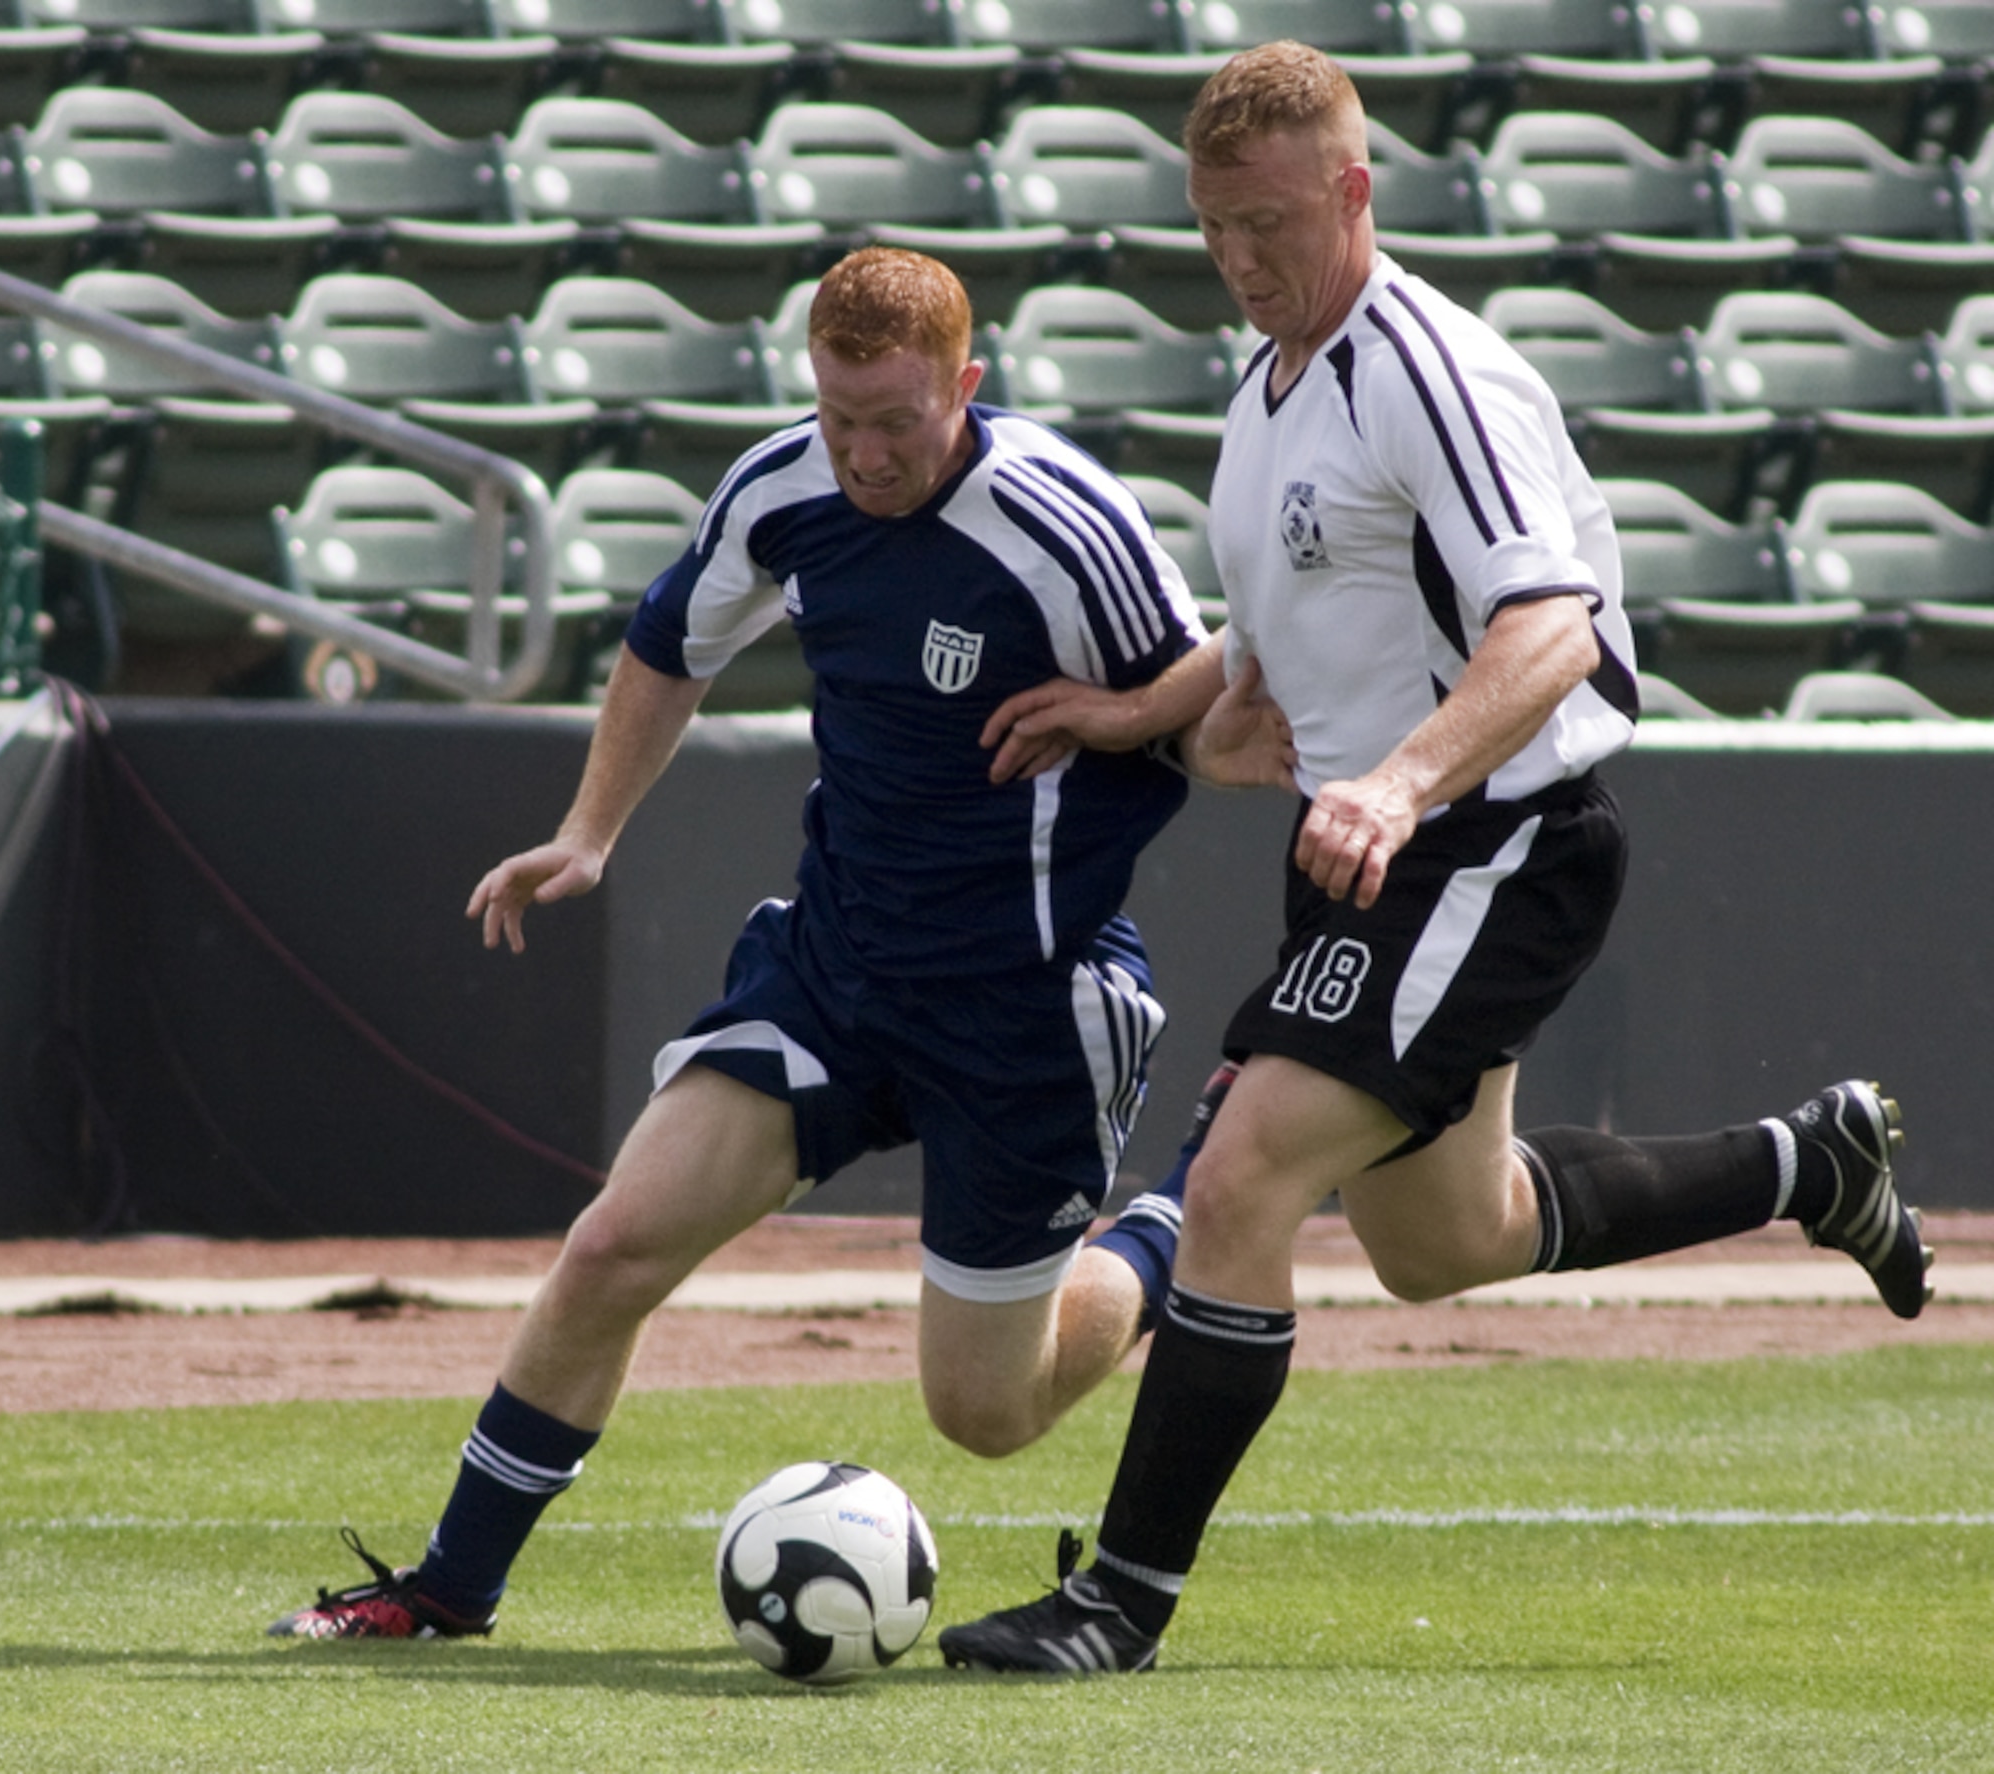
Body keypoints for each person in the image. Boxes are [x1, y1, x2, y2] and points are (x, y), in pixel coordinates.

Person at [936, 42, 1935, 1676]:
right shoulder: (1265, 392)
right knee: (1443, 1240)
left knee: (1247, 1165)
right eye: (1212, 231)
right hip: (1377, 850)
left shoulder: (1427, 370)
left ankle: (1118, 1600)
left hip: (1493, 839)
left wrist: (1394, 785)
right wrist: (1142, 713)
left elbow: (1556, 628)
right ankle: (1808, 1163)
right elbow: (1263, 643)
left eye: (1268, 224)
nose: (1241, 262)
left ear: (1354, 190)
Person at [267, 245, 1294, 1640]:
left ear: (966, 386)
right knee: (614, 1242)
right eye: (839, 417)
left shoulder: (1061, 523)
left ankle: (1178, 1213)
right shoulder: (781, 487)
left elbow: (1211, 686)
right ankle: (449, 1589)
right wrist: (589, 831)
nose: (864, 454)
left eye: (897, 420)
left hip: (1022, 1007)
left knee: (985, 1412)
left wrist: (1131, 719)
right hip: (835, 966)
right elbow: (667, 640)